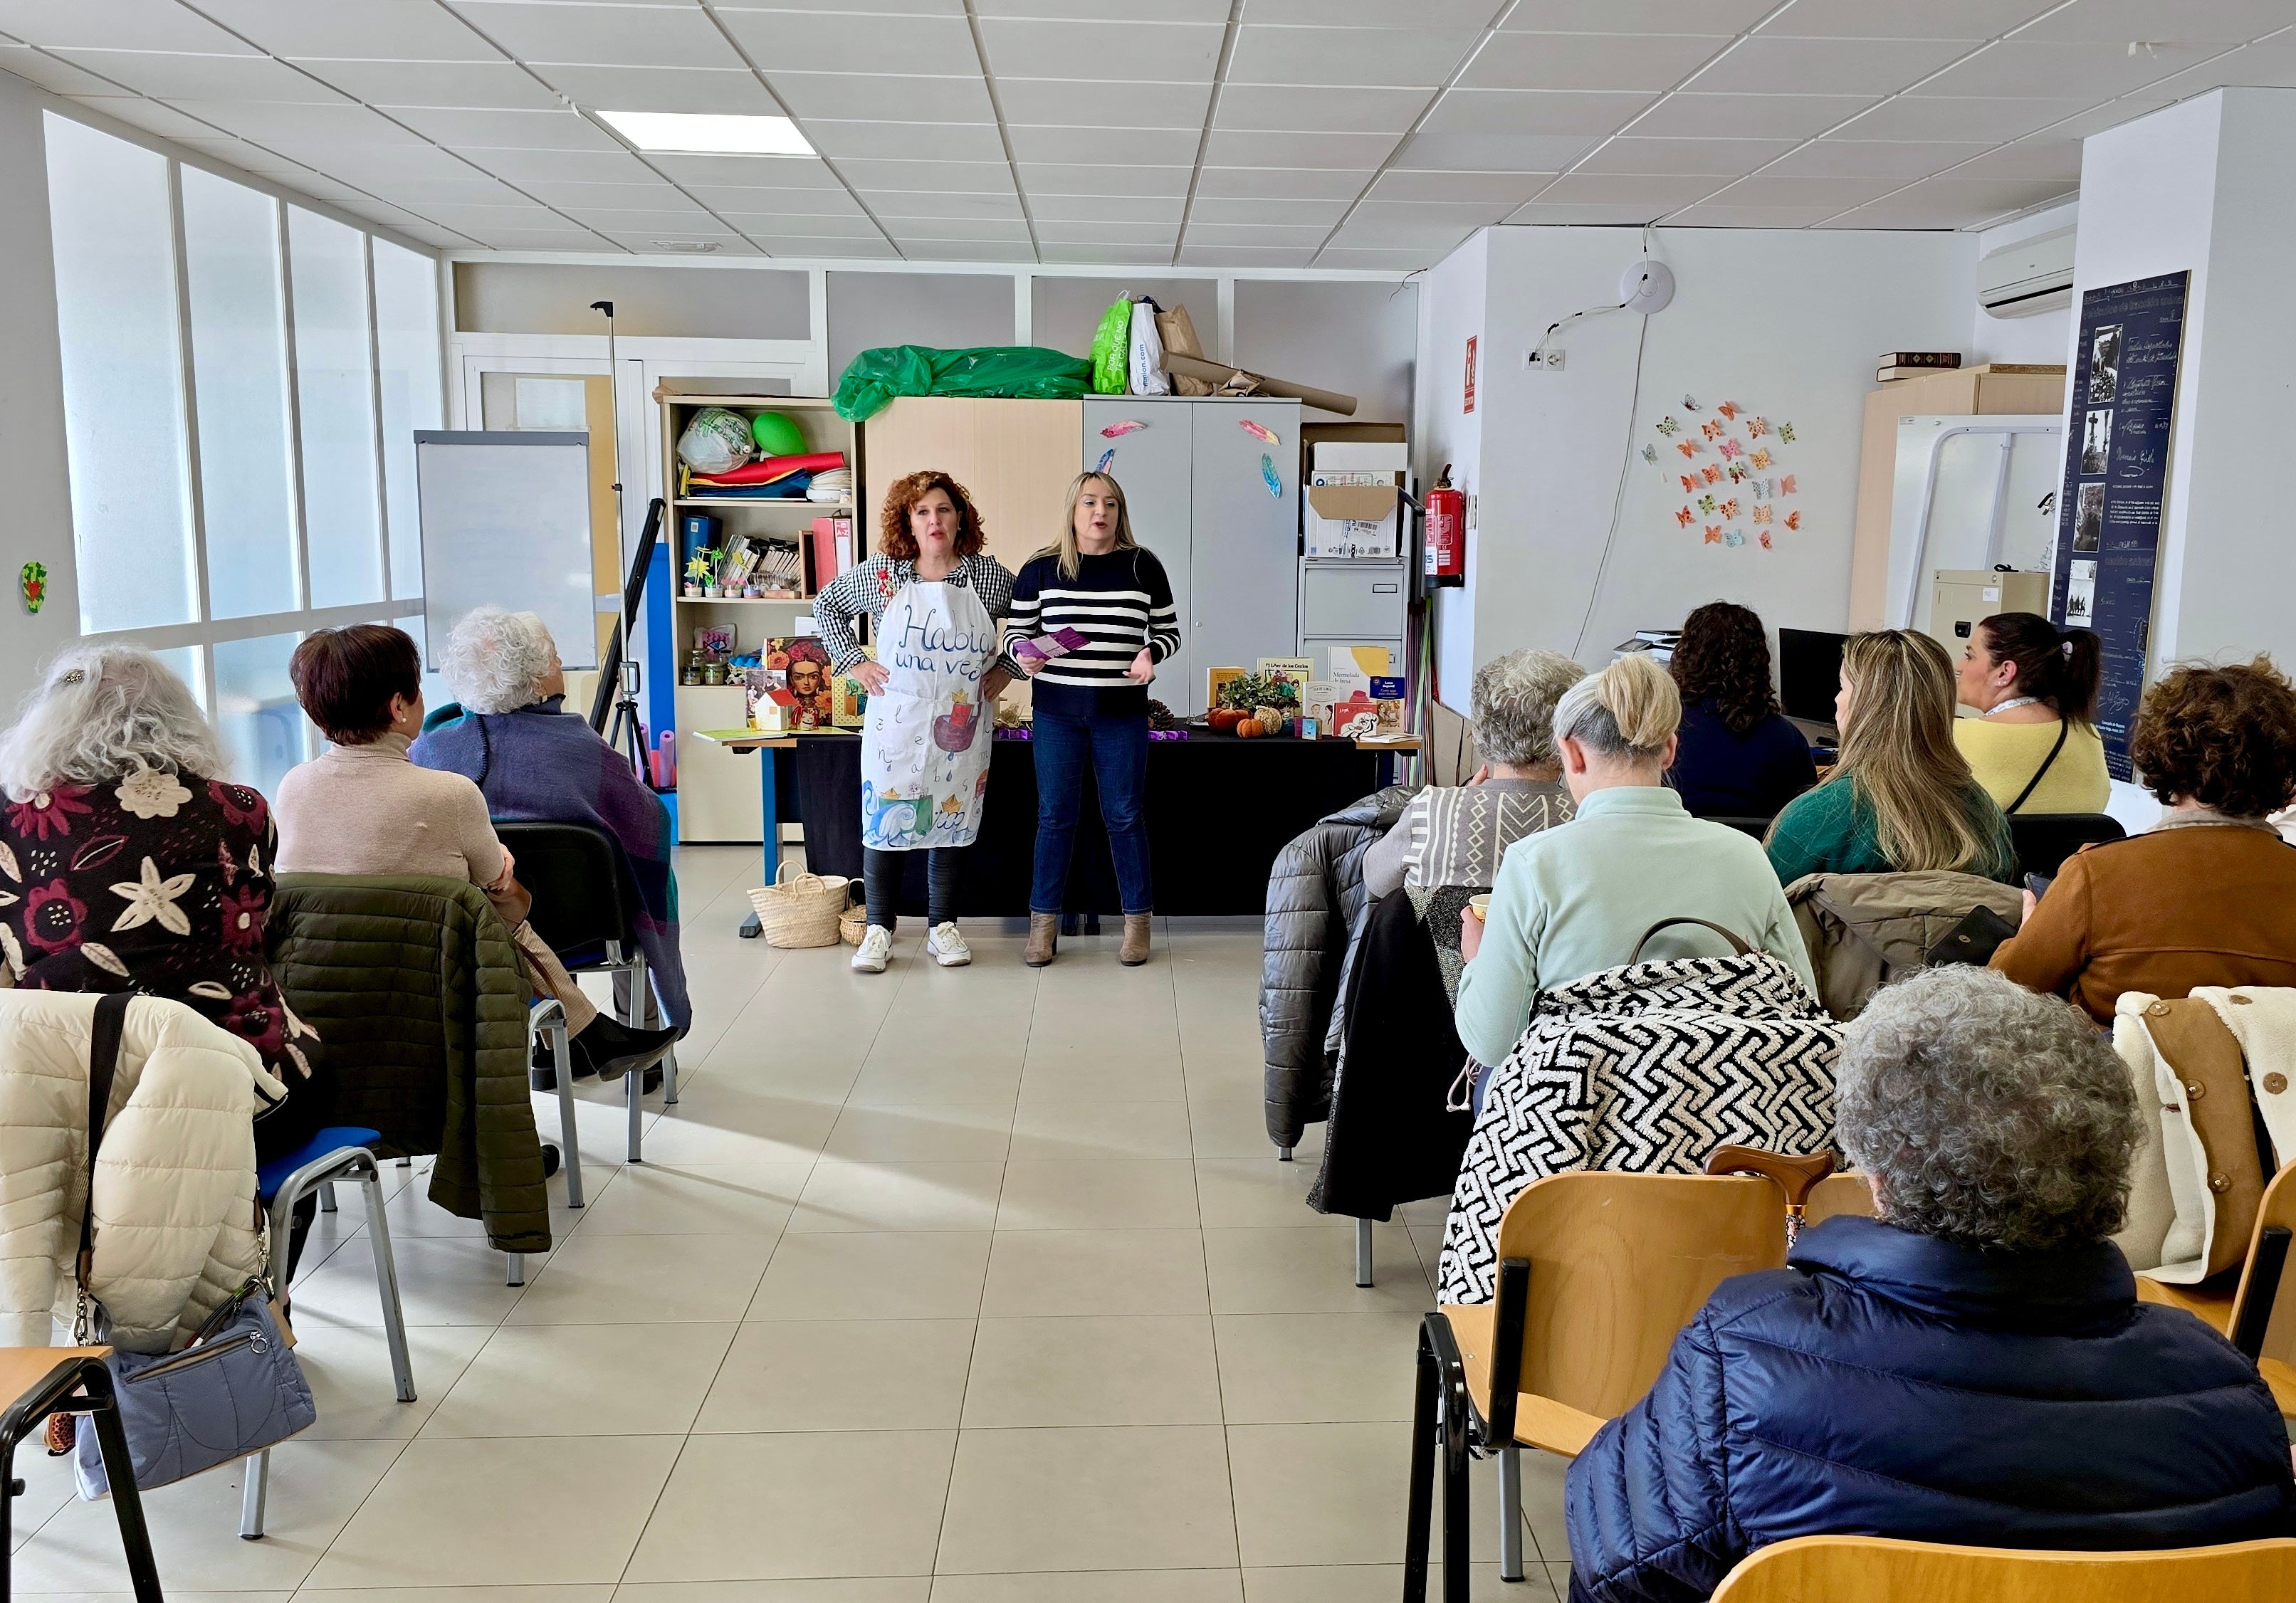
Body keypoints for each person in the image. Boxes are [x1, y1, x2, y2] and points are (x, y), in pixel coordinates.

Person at [1565, 966, 2296, 1603]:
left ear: (1876, 1174)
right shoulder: (2228, 1391)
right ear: (2109, 1166)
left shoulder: (1742, 1352)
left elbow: (1619, 1574)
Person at [273, 625, 675, 1083]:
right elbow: (513, 901)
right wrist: (501, 875)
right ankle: (593, 1034)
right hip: (435, 982)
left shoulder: (292, 788)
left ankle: (588, 1037)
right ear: (399, 706)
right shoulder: (449, 794)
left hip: (316, 979)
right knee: (499, 912)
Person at [0, 644, 327, 1156]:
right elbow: (254, 925)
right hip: (244, 1094)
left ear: (48, 722)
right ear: (178, 717)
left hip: (66, 1114)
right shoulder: (239, 809)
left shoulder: (10, 820)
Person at [1454, 654, 1815, 1073]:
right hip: (1728, 1099)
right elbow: (1803, 1001)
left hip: (1577, 1104)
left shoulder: (1534, 864)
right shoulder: (1747, 856)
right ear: (1669, 751)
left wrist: (1477, 962)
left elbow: (1493, 1044)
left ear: (1572, 754)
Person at [410, 606, 690, 1041]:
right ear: (537, 681)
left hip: (473, 931)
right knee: (630, 884)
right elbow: (650, 824)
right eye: (555, 657)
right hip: (590, 931)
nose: (560, 664)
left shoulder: (430, 747)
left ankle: (550, 1047)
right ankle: (645, 1036)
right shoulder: (584, 751)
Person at [1994, 656, 2296, 1024]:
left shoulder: (2096, 873)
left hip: (2115, 1061)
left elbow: (2001, 994)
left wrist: (2028, 934)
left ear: (2163, 755)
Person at [814, 469, 1018, 974]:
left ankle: (943, 927)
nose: (934, 520)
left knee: (952, 823)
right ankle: (879, 929)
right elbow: (827, 605)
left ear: (959, 518)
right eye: (922, 511)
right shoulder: (883, 575)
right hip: (896, 728)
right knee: (885, 822)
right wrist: (854, 663)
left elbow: (1032, 618)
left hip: (961, 728)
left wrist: (1007, 669)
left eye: (944, 509)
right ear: (908, 521)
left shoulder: (987, 578)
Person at [1006, 471, 1181, 969]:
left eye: (1109, 503)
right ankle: (1043, 926)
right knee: (1054, 818)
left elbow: (1169, 632)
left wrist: (1151, 652)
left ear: (1120, 512)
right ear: (1073, 509)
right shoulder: (1041, 568)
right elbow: (1015, 634)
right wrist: (1024, 654)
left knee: (1124, 817)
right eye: (1089, 502)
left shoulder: (1143, 566)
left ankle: (1137, 923)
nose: (1099, 512)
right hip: (1057, 714)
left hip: (1121, 714)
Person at [1764, 629, 2015, 885]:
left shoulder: (1813, 818)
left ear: (1864, 706)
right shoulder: (1986, 816)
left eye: (1842, 687)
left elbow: (1766, 904)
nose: (1837, 698)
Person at [1362, 648, 1583, 900]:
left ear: (1481, 728)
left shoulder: (1431, 810)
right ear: (1572, 731)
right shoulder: (1589, 818)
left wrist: (1460, 800)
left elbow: (1375, 881)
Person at [1664, 601, 1817, 819]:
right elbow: (1805, 817)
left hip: (1677, 840)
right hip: (1758, 842)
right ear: (1759, 661)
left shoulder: (1664, 729)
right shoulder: (1787, 738)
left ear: (1687, 655)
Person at [1953, 610, 2110, 814]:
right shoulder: (2090, 737)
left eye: (1970, 656)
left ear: (2004, 672)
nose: (1959, 666)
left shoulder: (1953, 738)